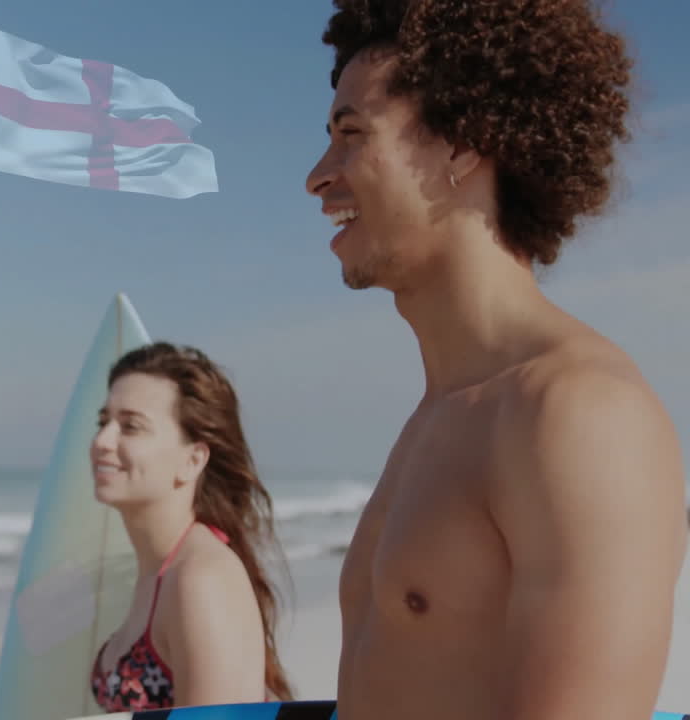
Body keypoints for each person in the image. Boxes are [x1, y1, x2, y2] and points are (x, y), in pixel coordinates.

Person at [304, 2, 688, 719]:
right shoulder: (440, 413)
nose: (318, 176)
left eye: (351, 135)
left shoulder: (578, 414)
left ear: (464, 145)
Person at [88, 342, 294, 711]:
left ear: (192, 459)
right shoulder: (158, 570)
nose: (102, 441)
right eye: (104, 422)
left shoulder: (202, 579)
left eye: (130, 426)